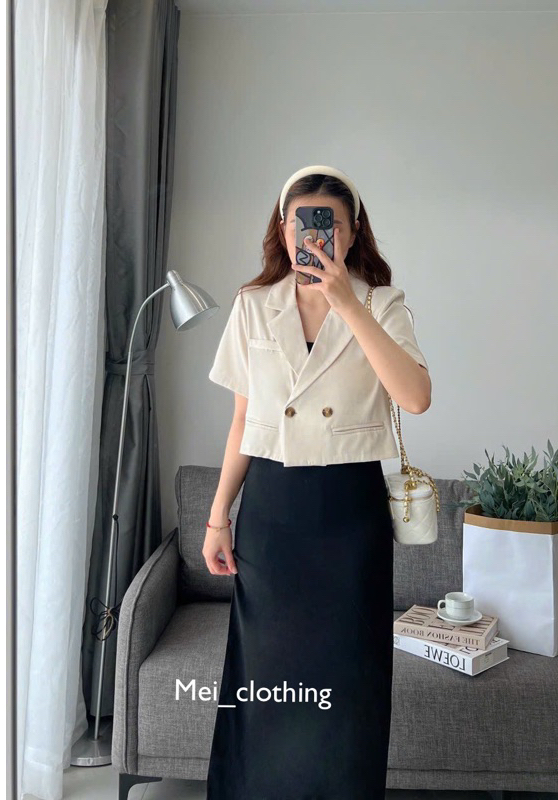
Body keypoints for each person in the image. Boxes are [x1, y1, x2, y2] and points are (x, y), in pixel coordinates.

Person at [204, 165, 431, 800]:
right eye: (302, 221)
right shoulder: (254, 306)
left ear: (352, 232)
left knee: (349, 683)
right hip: (272, 514)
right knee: (267, 679)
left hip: (348, 515)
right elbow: (244, 421)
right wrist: (218, 517)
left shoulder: (381, 304)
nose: (314, 234)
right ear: (283, 228)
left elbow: (415, 398)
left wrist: (347, 303)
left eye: (329, 223)